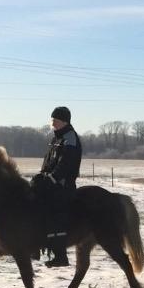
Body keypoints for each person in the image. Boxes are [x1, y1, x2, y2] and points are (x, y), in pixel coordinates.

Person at [31, 106, 82, 267]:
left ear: (64, 121)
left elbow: (66, 163)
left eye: (55, 120)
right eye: (52, 120)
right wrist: (41, 176)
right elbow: (49, 161)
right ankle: (35, 245)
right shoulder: (56, 138)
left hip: (63, 185)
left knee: (53, 211)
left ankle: (60, 255)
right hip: (51, 181)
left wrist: (52, 178)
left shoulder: (70, 138)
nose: (52, 123)